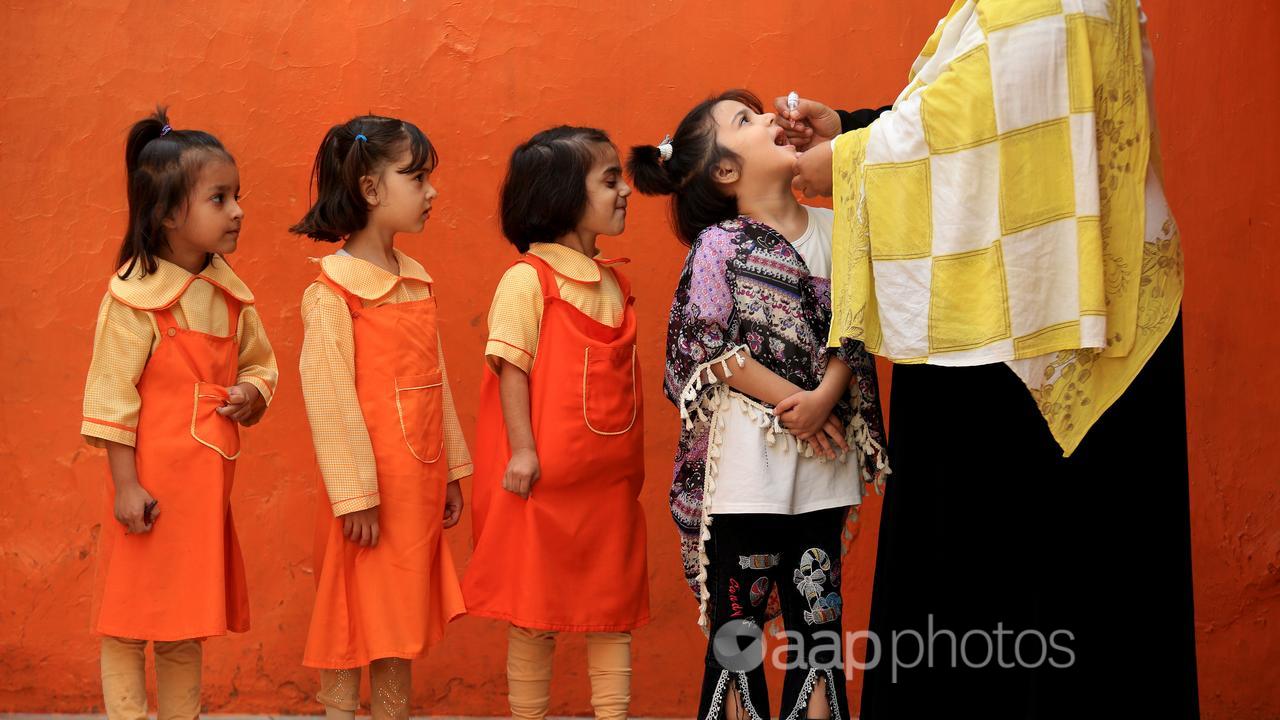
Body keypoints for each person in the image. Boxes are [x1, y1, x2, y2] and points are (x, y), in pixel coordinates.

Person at [785, 2, 1198, 717]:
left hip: (1020, 328)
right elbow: (994, 114)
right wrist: (857, 129)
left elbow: (992, 111)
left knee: (1005, 581)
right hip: (1033, 303)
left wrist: (850, 158)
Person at [629, 90, 887, 720]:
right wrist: (796, 404)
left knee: (819, 630)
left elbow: (854, 327)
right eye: (745, 121)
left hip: (823, 475)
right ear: (724, 171)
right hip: (745, 477)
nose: (771, 116)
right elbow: (703, 348)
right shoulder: (719, 247)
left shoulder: (836, 230)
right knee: (738, 637)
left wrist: (826, 396)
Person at [82, 107, 278, 719]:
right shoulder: (134, 300)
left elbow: (260, 363)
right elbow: (112, 399)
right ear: (168, 214)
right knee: (127, 621)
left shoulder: (230, 296)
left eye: (237, 196)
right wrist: (126, 486)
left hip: (202, 494)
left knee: (184, 622)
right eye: (219, 198)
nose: (238, 210)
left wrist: (252, 393)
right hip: (150, 495)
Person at [463, 126, 649, 720]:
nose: (625, 191)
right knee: (532, 614)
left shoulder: (616, 283)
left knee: (612, 612)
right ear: (564, 194)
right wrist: (523, 452)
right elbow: (510, 368)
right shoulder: (529, 280)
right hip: (541, 486)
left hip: (609, 488)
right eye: (610, 179)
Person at [293, 114, 469, 720]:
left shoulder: (416, 282)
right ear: (371, 190)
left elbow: (436, 383)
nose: (431, 192)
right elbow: (329, 398)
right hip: (365, 504)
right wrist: (354, 496)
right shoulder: (333, 293)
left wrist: (450, 470)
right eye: (416, 178)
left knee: (397, 620)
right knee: (350, 617)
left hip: (413, 492)